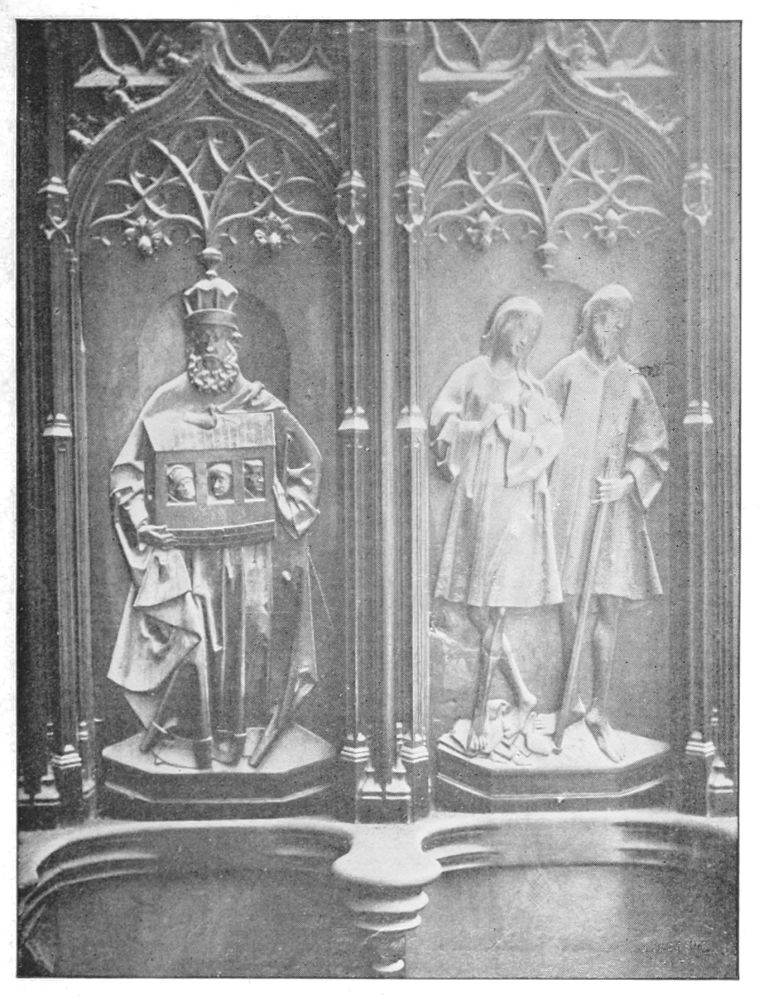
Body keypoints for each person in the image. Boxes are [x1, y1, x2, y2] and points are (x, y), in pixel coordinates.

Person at [108, 265, 322, 769]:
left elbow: (308, 461)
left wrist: (282, 503)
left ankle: (237, 735)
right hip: (187, 553)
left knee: (249, 636)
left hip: (251, 551)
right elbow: (126, 472)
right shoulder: (166, 400)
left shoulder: (261, 402)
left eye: (217, 339)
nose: (207, 348)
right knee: (199, 644)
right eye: (199, 339)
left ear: (234, 344)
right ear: (190, 343)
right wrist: (142, 521)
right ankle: (196, 736)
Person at [430, 296, 563, 754]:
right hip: (475, 499)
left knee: (495, 607)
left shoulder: (530, 387)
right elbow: (440, 421)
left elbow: (550, 440)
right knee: (476, 609)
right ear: (503, 326)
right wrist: (475, 426)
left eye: (533, 333)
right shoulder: (471, 374)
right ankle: (524, 696)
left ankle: (479, 719)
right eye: (520, 328)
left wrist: (510, 435)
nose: (525, 339)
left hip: (512, 504)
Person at [544, 284, 669, 762]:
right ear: (589, 322)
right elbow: (537, 426)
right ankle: (572, 699)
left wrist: (628, 481)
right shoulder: (565, 372)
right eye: (602, 322)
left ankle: (599, 709)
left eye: (618, 325)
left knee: (608, 608)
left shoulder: (633, 381)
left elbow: (653, 445)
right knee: (569, 602)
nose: (609, 332)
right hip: (570, 508)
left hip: (613, 513)